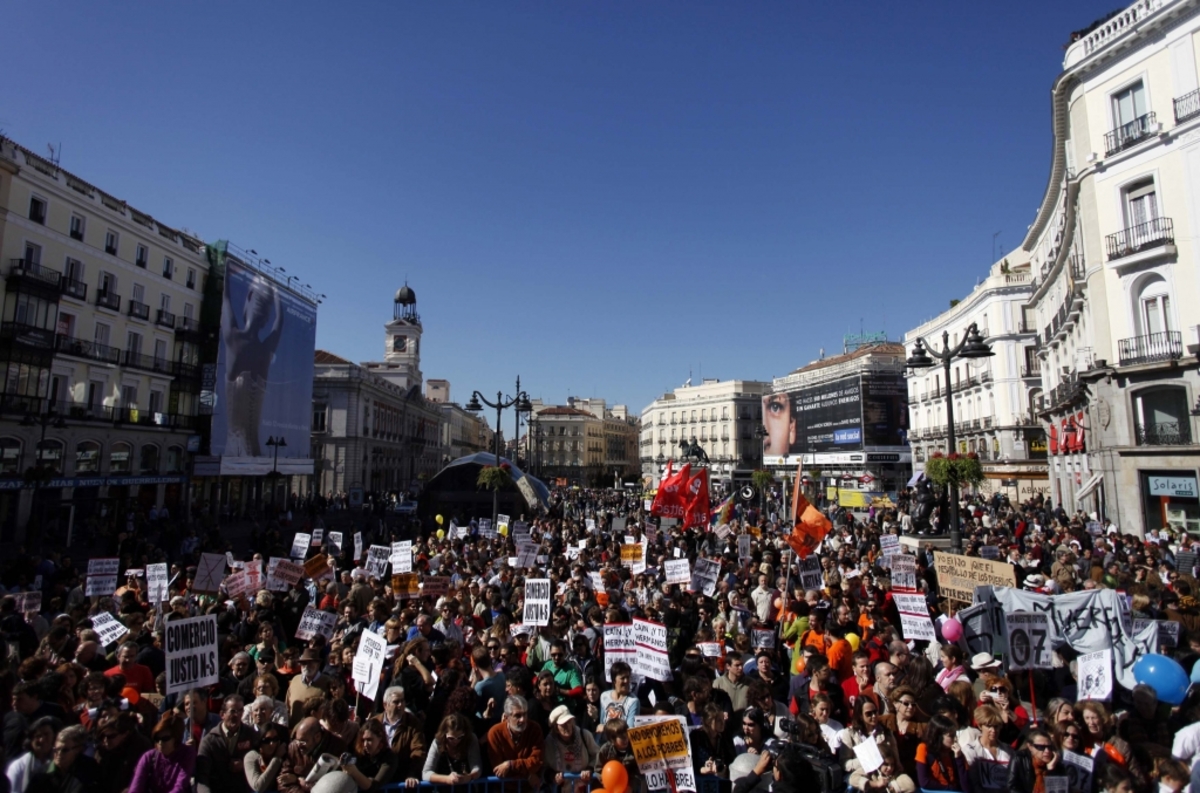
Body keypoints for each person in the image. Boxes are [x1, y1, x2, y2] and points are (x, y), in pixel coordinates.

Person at [220, 267, 283, 458]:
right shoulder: (265, 351)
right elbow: (279, 321)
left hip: (234, 449)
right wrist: (277, 292)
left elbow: (225, 298)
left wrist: (226, 271)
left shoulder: (233, 339)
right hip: (257, 451)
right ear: (267, 318)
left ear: (248, 297)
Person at [196, 695, 258, 793]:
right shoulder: (209, 741)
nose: (237, 715)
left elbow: (261, 763)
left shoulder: (251, 735)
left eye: (240, 711)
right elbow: (202, 776)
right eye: (233, 711)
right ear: (222, 714)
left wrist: (245, 765)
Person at [129, 712, 196, 793]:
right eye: (157, 739)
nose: (160, 743)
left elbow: (180, 786)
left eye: (165, 739)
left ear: (176, 738)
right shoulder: (148, 757)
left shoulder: (187, 753)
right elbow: (136, 787)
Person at [486, 696, 544, 785]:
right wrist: (528, 775)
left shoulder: (534, 729)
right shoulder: (495, 733)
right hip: (503, 788)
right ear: (506, 717)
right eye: (517, 715)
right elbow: (499, 770)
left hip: (527, 788)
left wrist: (511, 765)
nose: (523, 719)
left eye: (525, 714)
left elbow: (537, 762)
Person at [371, 686, 426, 779]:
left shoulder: (413, 723)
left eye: (402, 701)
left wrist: (411, 774)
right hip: (377, 775)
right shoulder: (374, 723)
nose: (400, 705)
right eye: (396, 702)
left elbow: (418, 751)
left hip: (401, 778)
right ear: (385, 705)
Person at [543, 705, 599, 792]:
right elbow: (544, 766)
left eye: (569, 721)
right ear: (556, 728)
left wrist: (589, 769)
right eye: (563, 724)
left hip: (584, 789)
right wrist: (553, 776)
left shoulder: (584, 735)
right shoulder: (549, 742)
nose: (568, 726)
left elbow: (597, 756)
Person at [94, 712, 153, 793]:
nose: (105, 740)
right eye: (104, 736)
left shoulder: (141, 748)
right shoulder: (103, 749)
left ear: (125, 734)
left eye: (111, 736)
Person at [961, 705, 1012, 793]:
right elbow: (971, 782)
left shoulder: (1008, 750)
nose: (993, 730)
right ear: (980, 726)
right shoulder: (970, 750)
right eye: (989, 726)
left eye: (996, 726)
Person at [422, 713, 483, 786]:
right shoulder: (438, 742)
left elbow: (477, 767)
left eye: (460, 737)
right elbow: (426, 773)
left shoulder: (471, 739)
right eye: (451, 738)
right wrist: (447, 779)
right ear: (444, 734)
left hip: (466, 787)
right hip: (443, 788)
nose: (455, 741)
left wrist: (469, 777)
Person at [340, 719, 400, 791]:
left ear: (380, 737)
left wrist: (354, 772)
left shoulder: (389, 757)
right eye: (363, 740)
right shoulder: (360, 755)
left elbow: (374, 786)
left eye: (369, 740)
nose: (365, 744)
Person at [914, 715, 969, 793]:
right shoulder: (923, 748)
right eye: (951, 736)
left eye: (955, 735)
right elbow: (924, 782)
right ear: (938, 736)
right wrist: (949, 789)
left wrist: (959, 759)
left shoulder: (955, 752)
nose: (955, 739)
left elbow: (966, 788)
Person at [8, 716, 59, 793]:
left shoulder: (59, 761)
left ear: (54, 736)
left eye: (46, 734)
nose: (42, 740)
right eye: (38, 736)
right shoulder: (18, 766)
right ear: (30, 740)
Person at [242, 723, 287, 793]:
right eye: (267, 740)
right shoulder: (251, 756)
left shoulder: (284, 753)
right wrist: (277, 758)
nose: (272, 744)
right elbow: (258, 787)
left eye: (275, 739)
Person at [598, 662, 639, 732]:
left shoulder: (633, 701)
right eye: (622, 678)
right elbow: (602, 722)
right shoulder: (604, 696)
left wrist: (605, 728)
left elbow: (629, 729)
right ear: (614, 680)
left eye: (628, 677)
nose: (626, 681)